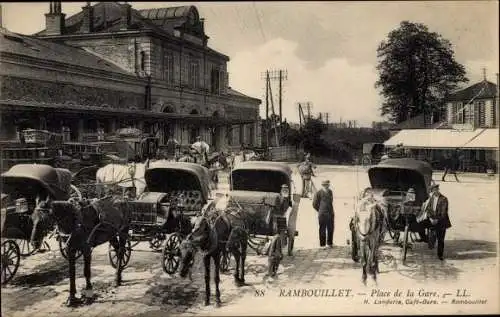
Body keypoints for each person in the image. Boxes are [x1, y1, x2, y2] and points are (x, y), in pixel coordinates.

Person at [418, 183, 451, 261]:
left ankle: (440, 255)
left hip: (441, 222)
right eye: (432, 191)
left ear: (437, 190)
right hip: (432, 220)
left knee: (441, 239)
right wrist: (431, 218)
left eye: (435, 190)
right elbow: (428, 209)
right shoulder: (431, 198)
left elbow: (444, 212)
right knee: (419, 225)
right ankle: (426, 239)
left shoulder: (444, 199)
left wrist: (437, 220)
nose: (433, 192)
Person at [312, 180, 334, 248]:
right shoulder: (318, 193)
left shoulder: (330, 192)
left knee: (331, 228)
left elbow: (331, 201)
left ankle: (330, 243)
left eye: (327, 185)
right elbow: (314, 204)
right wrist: (320, 210)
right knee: (322, 229)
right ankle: (322, 244)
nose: (326, 186)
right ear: (322, 185)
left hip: (330, 213)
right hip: (322, 214)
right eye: (324, 185)